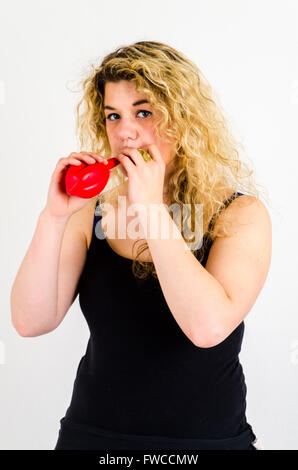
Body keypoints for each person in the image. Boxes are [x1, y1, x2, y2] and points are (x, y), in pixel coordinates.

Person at [10, 41, 271, 450]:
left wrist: (149, 209)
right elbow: (30, 321)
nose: (124, 131)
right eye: (113, 115)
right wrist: (54, 218)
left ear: (184, 120)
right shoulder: (90, 213)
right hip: (92, 439)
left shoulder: (240, 214)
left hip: (208, 444)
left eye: (143, 112)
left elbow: (206, 328)